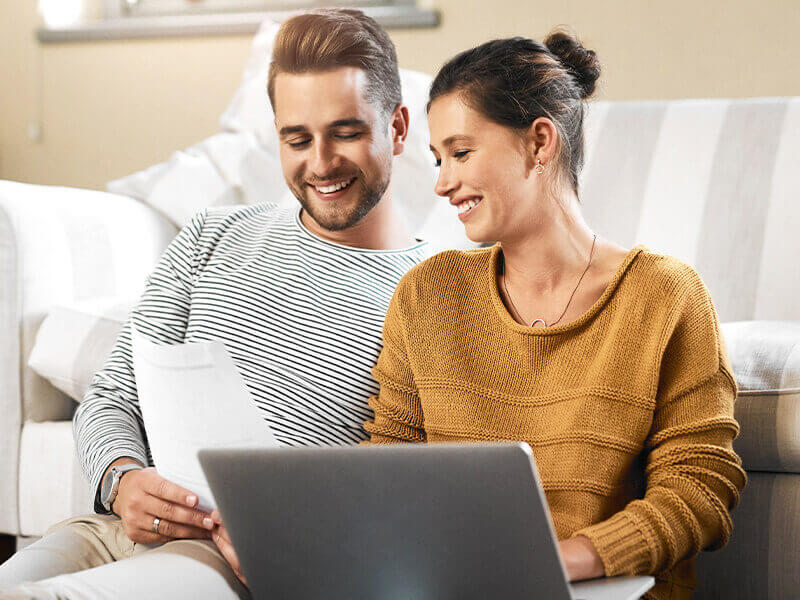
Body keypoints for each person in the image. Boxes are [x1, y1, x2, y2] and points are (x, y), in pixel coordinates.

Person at [0, 9, 429, 599]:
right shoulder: (213, 235)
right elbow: (109, 397)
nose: (321, 163)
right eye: (297, 139)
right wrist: (122, 480)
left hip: (230, 565)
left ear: (398, 127)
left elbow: (416, 492)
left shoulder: (434, 294)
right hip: (109, 532)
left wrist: (304, 548)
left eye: (346, 132)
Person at [364, 31, 746, 600]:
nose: (443, 183)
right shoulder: (426, 295)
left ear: (540, 142)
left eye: (461, 153)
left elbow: (701, 485)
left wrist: (565, 560)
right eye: (438, 159)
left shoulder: (664, 295)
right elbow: (386, 467)